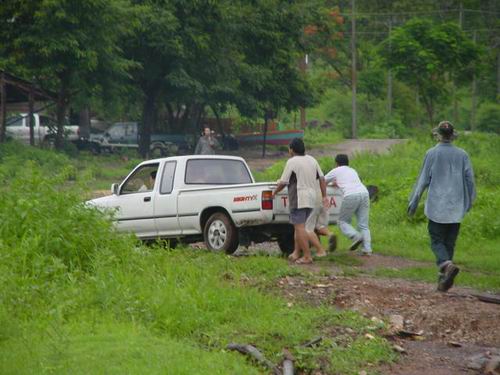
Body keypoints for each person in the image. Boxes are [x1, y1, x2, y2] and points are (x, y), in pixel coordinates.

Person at [408, 121, 476, 292]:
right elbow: (470, 180)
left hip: (437, 205)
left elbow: (423, 180)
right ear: (452, 136)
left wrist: (414, 201)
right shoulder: (463, 155)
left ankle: (445, 268)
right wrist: (469, 201)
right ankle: (444, 279)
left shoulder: (431, 153)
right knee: (449, 243)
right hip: (456, 207)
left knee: (437, 240)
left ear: (438, 135)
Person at [272, 138, 329, 264]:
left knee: (299, 227)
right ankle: (296, 252)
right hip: (312, 197)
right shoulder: (312, 160)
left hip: (299, 197)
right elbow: (322, 178)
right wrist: (324, 196)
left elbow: (283, 182)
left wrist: (275, 192)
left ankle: (307, 256)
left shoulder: (292, 161)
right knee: (300, 227)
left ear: (291, 149)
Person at [325, 154, 372, 255]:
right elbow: (349, 182)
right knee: (364, 225)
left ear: (336, 163)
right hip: (364, 193)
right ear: (347, 162)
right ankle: (367, 250)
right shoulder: (352, 170)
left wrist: (330, 184)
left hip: (351, 195)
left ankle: (356, 237)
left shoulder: (336, 170)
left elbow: (321, 181)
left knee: (342, 221)